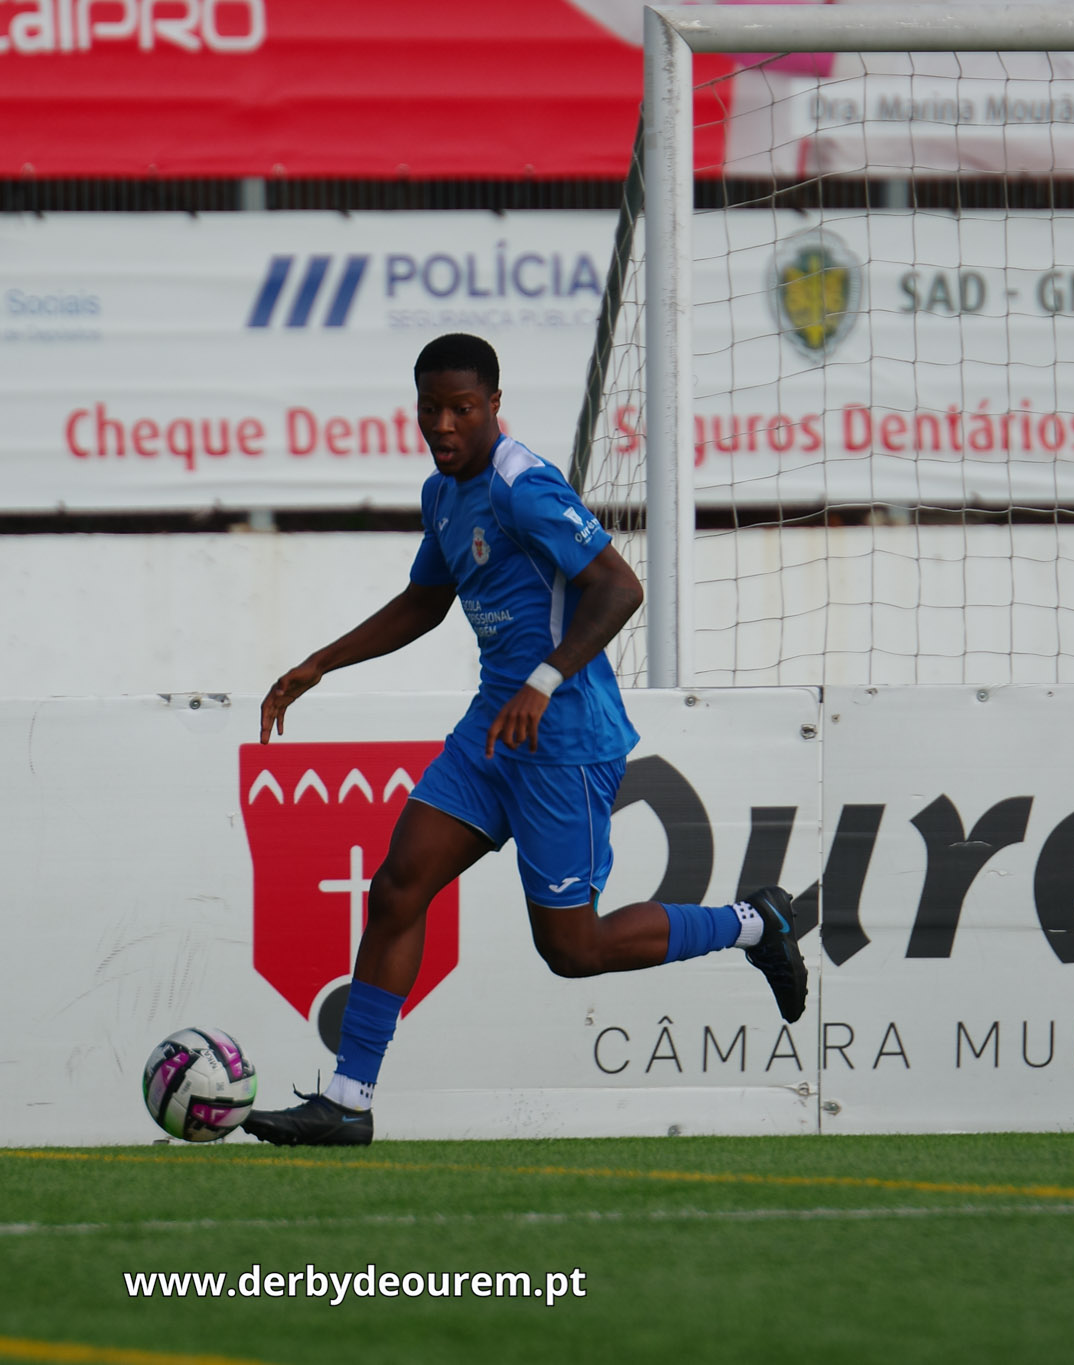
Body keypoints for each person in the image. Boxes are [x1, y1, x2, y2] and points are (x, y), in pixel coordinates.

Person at [244, 333, 807, 1147]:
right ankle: (347, 1098)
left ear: (495, 406)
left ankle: (757, 923)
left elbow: (620, 586)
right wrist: (319, 663)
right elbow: (424, 601)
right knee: (399, 886)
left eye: (461, 408)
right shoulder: (444, 494)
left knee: (573, 949)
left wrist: (544, 681)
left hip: (564, 734)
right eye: (429, 408)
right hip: (494, 727)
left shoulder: (524, 485)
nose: (443, 424)